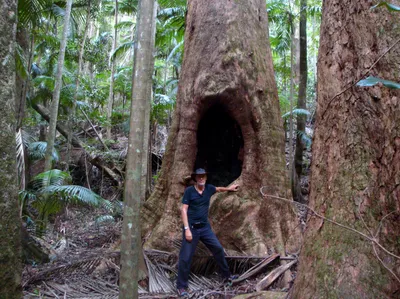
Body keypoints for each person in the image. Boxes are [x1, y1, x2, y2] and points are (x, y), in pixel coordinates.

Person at [177, 168, 239, 296]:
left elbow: (218, 189)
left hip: (205, 228)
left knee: (218, 249)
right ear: (195, 178)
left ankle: (227, 276)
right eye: (199, 176)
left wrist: (230, 189)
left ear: (206, 177)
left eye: (203, 176)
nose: (201, 178)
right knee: (185, 257)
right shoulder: (189, 191)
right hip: (192, 228)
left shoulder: (209, 189)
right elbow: (183, 210)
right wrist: (187, 229)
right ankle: (181, 287)